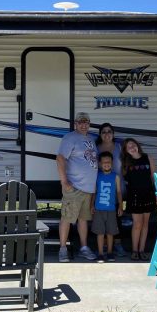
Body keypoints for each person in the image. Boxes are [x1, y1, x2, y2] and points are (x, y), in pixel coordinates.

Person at [56, 112, 99, 262]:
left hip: (88, 189)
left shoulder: (91, 139)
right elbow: (60, 158)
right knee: (67, 218)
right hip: (74, 187)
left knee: (83, 220)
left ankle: (84, 248)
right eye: (80, 122)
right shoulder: (70, 138)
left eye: (86, 121)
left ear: (89, 123)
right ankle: (62, 249)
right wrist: (64, 181)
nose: (83, 124)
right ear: (75, 124)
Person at [95, 123, 127, 257]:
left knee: (116, 217)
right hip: (102, 189)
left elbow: (125, 164)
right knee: (103, 218)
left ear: (113, 134)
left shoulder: (119, 147)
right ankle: (104, 247)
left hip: (118, 186)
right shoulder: (96, 148)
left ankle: (118, 244)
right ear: (100, 134)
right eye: (103, 132)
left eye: (109, 131)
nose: (106, 134)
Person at [121, 137, 156, 261]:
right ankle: (134, 250)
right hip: (134, 196)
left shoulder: (148, 158)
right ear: (125, 150)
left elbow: (153, 177)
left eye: (133, 144)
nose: (131, 147)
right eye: (128, 147)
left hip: (148, 195)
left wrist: (156, 193)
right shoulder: (126, 163)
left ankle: (142, 250)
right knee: (137, 224)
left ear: (137, 145)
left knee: (145, 224)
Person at [91, 151, 123, 262]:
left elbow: (119, 192)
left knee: (110, 233)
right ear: (100, 164)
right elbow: (94, 192)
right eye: (104, 162)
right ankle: (100, 253)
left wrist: (120, 206)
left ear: (112, 163)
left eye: (108, 162)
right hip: (99, 209)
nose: (106, 164)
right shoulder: (97, 176)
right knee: (100, 233)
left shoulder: (116, 177)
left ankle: (109, 253)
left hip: (111, 210)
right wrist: (92, 205)